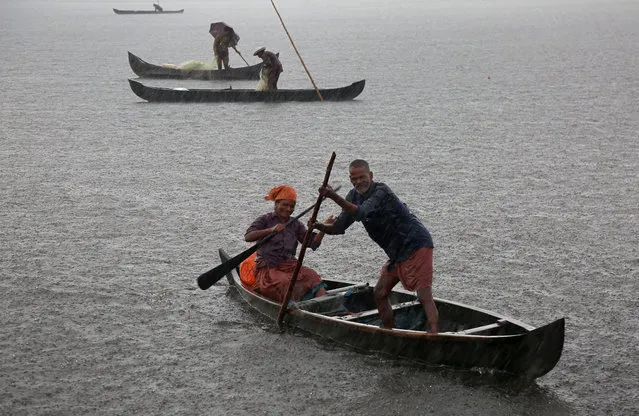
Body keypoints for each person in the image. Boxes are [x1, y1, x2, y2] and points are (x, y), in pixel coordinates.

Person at [309, 159, 440, 333]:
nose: (358, 182)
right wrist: (318, 226)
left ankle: (435, 335)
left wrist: (333, 196)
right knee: (379, 293)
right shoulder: (353, 196)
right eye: (354, 179)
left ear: (370, 176)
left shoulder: (381, 191)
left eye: (362, 177)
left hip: (416, 244)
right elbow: (339, 228)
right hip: (396, 252)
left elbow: (361, 212)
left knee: (424, 295)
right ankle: (388, 332)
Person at [244, 185, 329, 303]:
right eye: (285, 205)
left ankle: (324, 304)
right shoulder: (265, 219)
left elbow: (311, 244)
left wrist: (323, 229)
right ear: (276, 204)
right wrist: (271, 230)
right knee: (284, 282)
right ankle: (293, 308)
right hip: (269, 267)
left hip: (290, 265)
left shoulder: (296, 224)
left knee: (312, 275)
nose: (288, 209)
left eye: (292, 206)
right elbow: (248, 237)